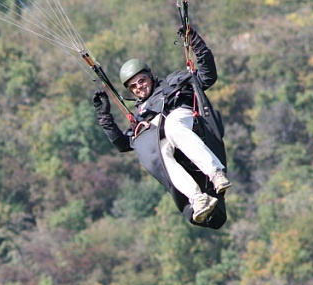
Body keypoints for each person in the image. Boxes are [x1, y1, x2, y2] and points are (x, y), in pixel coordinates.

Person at [92, 25, 231, 227]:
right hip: (167, 139)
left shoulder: (173, 83)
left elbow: (208, 75)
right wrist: (104, 115)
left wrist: (194, 40)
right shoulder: (140, 117)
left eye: (141, 80)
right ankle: (197, 198)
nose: (139, 87)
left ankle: (216, 173)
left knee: (173, 124)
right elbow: (123, 144)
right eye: (133, 86)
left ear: (150, 76)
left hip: (187, 122)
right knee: (160, 151)